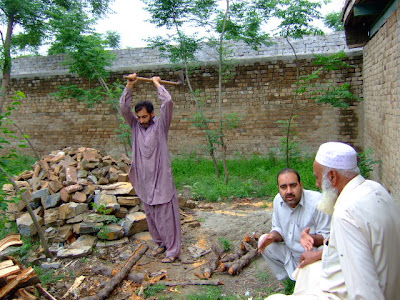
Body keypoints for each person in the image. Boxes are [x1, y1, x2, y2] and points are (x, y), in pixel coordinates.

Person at [267, 141, 400, 299]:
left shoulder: (346, 213)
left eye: (318, 178)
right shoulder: (375, 189)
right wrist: (318, 255)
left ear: (332, 176)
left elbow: (365, 292)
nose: (317, 184)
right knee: (309, 269)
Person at [120, 73, 181, 263]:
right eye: (138, 117)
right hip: (144, 180)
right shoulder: (136, 127)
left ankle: (172, 251)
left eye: (144, 116)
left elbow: (168, 102)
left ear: (152, 114)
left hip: (161, 179)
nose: (141, 120)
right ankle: (160, 243)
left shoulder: (161, 125)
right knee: (151, 215)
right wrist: (130, 85)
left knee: (166, 216)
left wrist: (157, 84)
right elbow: (123, 108)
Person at [258, 168, 331, 281]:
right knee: (264, 241)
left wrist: (310, 238)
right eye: (283, 187)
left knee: (325, 250)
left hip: (312, 255)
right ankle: (288, 282)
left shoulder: (318, 202)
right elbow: (278, 229)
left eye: (293, 185)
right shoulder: (278, 200)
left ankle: (316, 281)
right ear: (278, 188)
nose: (289, 191)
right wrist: (273, 236)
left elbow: (328, 238)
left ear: (301, 185)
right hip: (291, 254)